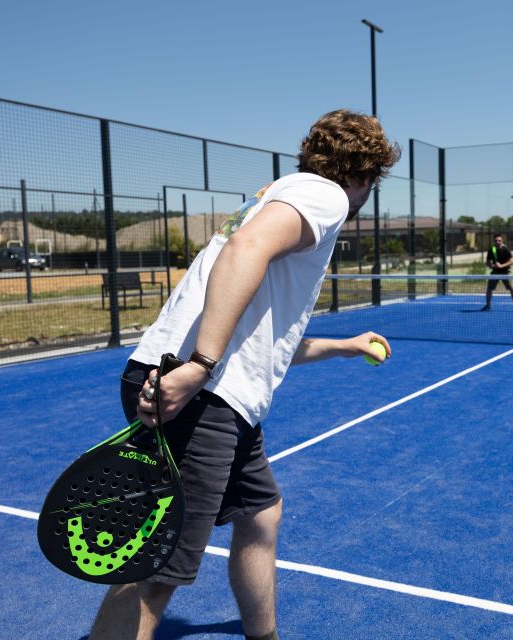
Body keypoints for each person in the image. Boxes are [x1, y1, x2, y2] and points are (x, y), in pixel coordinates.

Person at [88, 109, 400, 640]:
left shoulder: (275, 194)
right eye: (374, 179)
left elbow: (262, 341)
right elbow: (244, 251)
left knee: (261, 514)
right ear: (365, 174)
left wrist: (343, 346)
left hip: (211, 391)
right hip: (202, 393)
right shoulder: (325, 195)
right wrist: (200, 366)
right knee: (160, 566)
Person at [480, 233, 513, 312]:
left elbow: (511, 261)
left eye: (499, 240)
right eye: (496, 240)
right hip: (495, 272)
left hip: (506, 272)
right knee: (489, 289)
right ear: (494, 241)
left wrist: (501, 266)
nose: (497, 242)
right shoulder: (492, 249)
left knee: (512, 288)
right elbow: (487, 262)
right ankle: (487, 306)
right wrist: (493, 265)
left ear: (502, 241)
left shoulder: (505, 249)